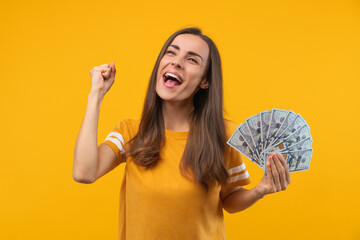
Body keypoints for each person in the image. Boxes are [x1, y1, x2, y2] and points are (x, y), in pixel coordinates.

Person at [73, 27, 291, 240]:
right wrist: (96, 95)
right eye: (171, 52)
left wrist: (260, 190)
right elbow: (84, 173)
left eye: (192, 59)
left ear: (205, 81)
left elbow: (229, 199)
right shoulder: (129, 132)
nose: (176, 61)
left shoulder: (223, 134)